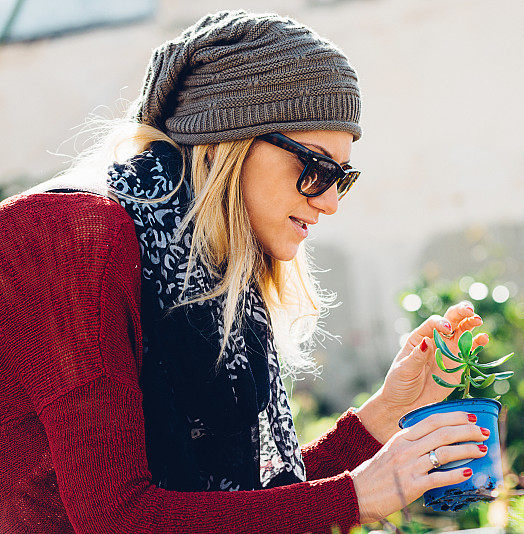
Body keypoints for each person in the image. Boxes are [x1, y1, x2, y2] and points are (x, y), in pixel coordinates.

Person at [0, 10, 492, 534]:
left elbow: (243, 508)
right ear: (227, 139)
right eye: (316, 168)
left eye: (342, 178)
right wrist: (357, 496)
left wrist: (383, 417)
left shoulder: (206, 269)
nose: (330, 202)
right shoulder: (61, 236)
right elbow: (117, 519)